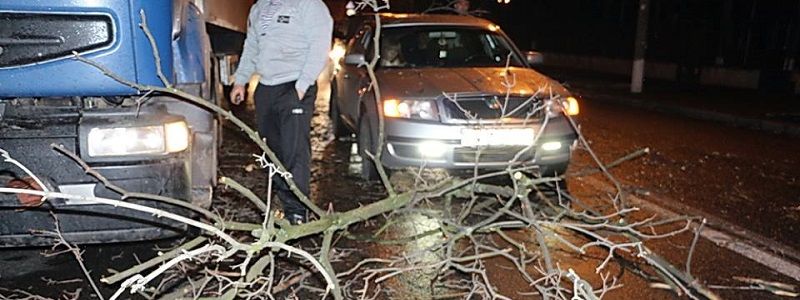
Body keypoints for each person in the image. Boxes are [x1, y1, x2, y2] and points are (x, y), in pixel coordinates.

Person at [230, 0, 333, 225]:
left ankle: (297, 211)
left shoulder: (309, 5)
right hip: (266, 87)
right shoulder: (260, 8)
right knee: (272, 150)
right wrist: (240, 81)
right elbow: (252, 46)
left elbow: (320, 46)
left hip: (294, 85)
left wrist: (303, 84)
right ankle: (282, 199)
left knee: (294, 151)